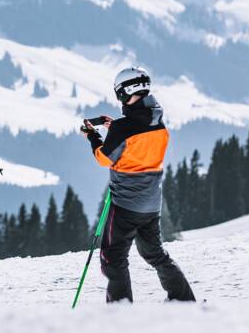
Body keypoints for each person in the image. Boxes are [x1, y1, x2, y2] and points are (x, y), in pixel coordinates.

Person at [81, 67, 195, 303]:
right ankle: (184, 301)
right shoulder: (158, 124)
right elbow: (138, 144)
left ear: (124, 92)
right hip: (151, 204)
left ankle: (120, 312)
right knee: (155, 254)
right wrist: (116, 129)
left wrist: (93, 137)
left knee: (113, 258)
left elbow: (104, 158)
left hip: (125, 205)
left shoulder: (123, 128)